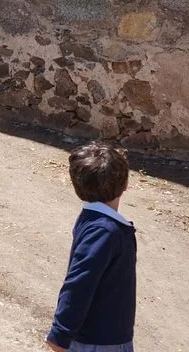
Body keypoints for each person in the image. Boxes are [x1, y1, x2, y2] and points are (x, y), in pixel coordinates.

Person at [47, 143, 135, 352]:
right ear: (125, 183)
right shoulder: (105, 231)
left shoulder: (94, 219)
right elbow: (79, 283)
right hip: (100, 341)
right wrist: (60, 334)